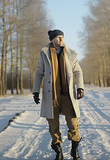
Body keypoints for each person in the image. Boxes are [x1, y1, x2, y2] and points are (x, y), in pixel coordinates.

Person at [33, 29, 84, 160]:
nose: (61, 39)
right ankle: (59, 153)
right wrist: (35, 91)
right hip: (51, 96)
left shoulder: (70, 54)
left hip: (68, 95)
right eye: (58, 37)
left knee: (73, 123)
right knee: (53, 125)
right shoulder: (44, 53)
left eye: (62, 37)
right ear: (52, 39)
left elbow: (77, 71)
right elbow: (39, 72)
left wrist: (80, 88)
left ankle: (74, 151)